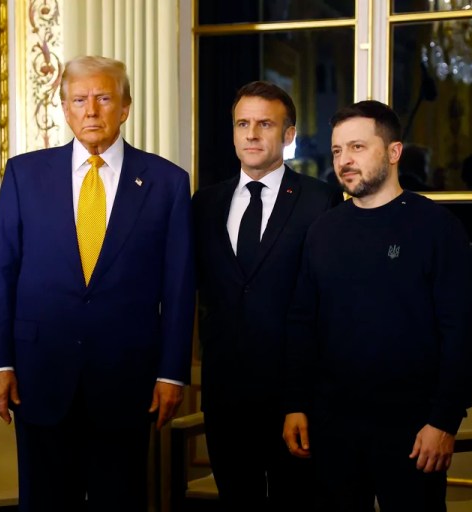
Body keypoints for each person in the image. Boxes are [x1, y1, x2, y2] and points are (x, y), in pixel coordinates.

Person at [0, 56, 195, 512]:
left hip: (127, 380)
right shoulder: (24, 174)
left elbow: (179, 286)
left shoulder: (167, 182)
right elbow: (0, 270)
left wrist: (172, 371)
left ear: (126, 107)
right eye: (79, 99)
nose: (91, 110)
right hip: (39, 375)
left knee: (119, 502)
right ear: (64, 107)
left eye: (103, 98)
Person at [282, 100, 472, 512]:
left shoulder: (437, 228)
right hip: (331, 427)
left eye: (357, 147)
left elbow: (462, 332)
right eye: (337, 151)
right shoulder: (324, 230)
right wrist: (296, 404)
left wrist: (444, 420)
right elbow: (302, 323)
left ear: (394, 153)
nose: (344, 161)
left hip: (413, 431)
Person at [193, 81, 343, 511]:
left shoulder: (321, 200)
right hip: (225, 398)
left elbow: (329, 304)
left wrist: (306, 398)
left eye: (265, 124)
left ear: (289, 134)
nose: (252, 134)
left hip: (295, 401)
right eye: (243, 123)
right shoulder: (204, 204)